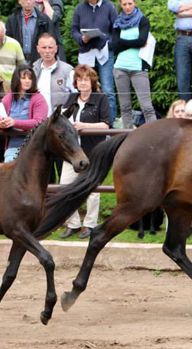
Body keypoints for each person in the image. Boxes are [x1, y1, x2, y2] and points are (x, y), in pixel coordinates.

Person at [59, 64, 111, 239]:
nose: (82, 83)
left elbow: (106, 124)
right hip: (71, 152)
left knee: (92, 190)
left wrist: (84, 126)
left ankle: (90, 224)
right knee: (65, 187)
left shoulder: (100, 98)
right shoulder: (72, 97)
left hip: (92, 151)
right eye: (79, 80)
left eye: (86, 80)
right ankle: (72, 224)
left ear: (92, 81)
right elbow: (62, 119)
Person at [32, 33, 74, 183]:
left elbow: (75, 95)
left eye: (50, 47)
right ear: (38, 49)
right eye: (44, 47)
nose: (47, 51)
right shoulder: (33, 70)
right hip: (39, 128)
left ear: (56, 49)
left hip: (59, 128)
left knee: (63, 171)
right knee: (43, 172)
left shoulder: (68, 70)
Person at [112, 0, 157, 129]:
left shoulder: (142, 20)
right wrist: (133, 42)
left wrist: (122, 42)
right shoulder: (118, 22)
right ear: (121, 4)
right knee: (125, 107)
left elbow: (142, 41)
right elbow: (114, 46)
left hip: (138, 68)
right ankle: (127, 134)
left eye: (130, 3)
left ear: (135, 3)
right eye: (124, 4)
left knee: (147, 107)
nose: (127, 7)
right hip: (120, 67)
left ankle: (155, 134)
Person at [71, 0, 118, 124]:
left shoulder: (109, 6)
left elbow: (116, 29)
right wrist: (81, 38)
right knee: (82, 87)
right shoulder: (79, 8)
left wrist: (109, 43)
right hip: (86, 52)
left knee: (108, 90)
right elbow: (74, 29)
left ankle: (110, 124)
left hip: (104, 51)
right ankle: (81, 121)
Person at [0, 66, 48, 162]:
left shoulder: (39, 99)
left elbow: (39, 122)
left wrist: (14, 122)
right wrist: (0, 124)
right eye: (23, 78)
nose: (27, 81)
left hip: (34, 148)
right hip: (12, 148)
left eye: (30, 78)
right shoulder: (8, 98)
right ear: (16, 79)